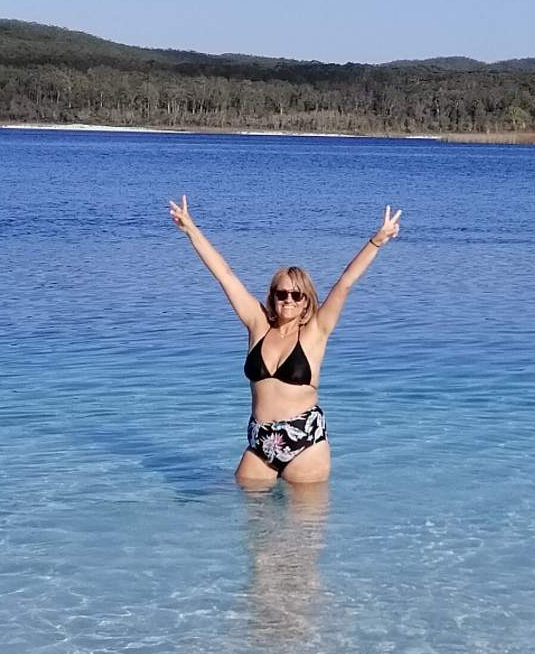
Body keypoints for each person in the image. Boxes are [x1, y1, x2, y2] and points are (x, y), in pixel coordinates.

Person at [167, 195, 401, 485]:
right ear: (272, 296)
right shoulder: (258, 324)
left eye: (296, 295)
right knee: (252, 526)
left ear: (306, 302)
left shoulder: (316, 330)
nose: (288, 300)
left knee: (303, 528)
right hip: (260, 440)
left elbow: (345, 282)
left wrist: (377, 241)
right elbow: (225, 276)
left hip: (305, 441)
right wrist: (191, 229)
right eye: (281, 294)